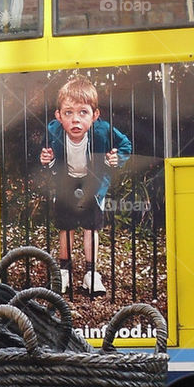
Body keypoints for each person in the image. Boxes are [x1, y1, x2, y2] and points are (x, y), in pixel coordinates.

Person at [39, 75, 131, 295]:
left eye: (83, 113)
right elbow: (45, 153)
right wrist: (46, 159)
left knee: (91, 226)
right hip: (65, 180)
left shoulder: (103, 131)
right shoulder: (54, 131)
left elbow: (125, 144)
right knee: (66, 225)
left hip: (93, 181)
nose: (76, 120)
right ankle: (64, 272)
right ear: (59, 116)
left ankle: (91, 274)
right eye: (68, 113)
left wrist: (117, 158)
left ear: (95, 116)